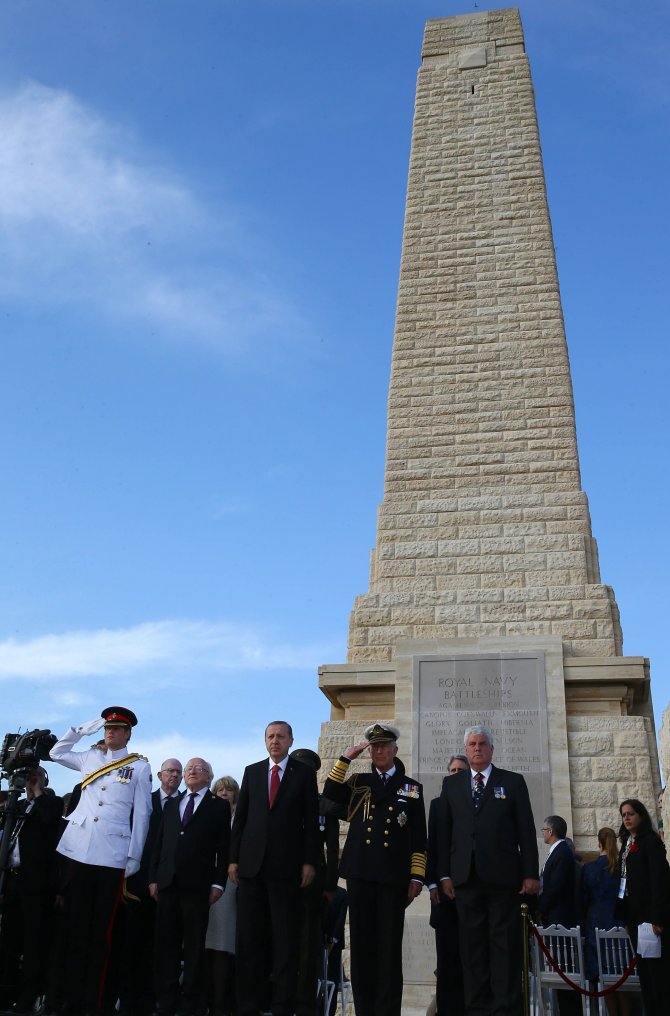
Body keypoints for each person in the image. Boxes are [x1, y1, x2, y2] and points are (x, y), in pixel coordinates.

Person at [49, 707, 152, 1016]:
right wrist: (81, 730)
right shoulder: (90, 757)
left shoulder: (139, 767)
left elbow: (143, 814)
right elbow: (56, 753)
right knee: (75, 930)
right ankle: (69, 1000)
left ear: (128, 734)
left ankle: (93, 1003)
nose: (110, 732)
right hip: (79, 851)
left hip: (111, 855)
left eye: (116, 729)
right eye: (107, 728)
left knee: (100, 936)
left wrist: (134, 855)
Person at [322, 721, 426, 1016]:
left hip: (393, 877)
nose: (379, 751)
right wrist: (346, 758)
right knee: (363, 948)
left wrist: (417, 876)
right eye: (375, 747)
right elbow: (330, 792)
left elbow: (419, 837)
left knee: (389, 949)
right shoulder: (359, 781)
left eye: (384, 746)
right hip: (361, 873)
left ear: (395, 750)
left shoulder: (410, 788)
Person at [438, 724, 539, 1016]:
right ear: (466, 749)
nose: (477, 748)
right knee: (472, 951)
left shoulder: (513, 782)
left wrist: (530, 873)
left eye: (482, 744)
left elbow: (526, 829)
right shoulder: (452, 785)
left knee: (504, 949)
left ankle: (505, 1009)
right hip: (465, 879)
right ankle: (477, 1009)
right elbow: (445, 833)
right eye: (472, 744)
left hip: (503, 880)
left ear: (492, 749)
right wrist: (444, 874)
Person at [228, 721, 319, 1016]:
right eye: (270, 736)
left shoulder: (303, 773)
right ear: (265, 741)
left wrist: (309, 861)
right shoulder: (252, 772)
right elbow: (241, 819)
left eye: (281, 736)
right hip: (251, 868)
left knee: (285, 941)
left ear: (291, 740)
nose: (275, 741)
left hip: (286, 868)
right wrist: (233, 859)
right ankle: (248, 1006)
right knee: (249, 939)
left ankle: (282, 1005)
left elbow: (311, 821)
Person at [149, 758, 230, 1016]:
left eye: (199, 769)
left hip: (198, 886)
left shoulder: (218, 806)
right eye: (189, 769)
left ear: (209, 776)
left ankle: (192, 1003)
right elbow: (160, 843)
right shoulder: (173, 803)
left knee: (194, 947)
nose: (192, 771)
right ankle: (166, 1001)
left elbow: (224, 848)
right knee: (166, 946)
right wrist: (153, 878)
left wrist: (219, 883)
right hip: (168, 884)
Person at [118, 759, 184, 1016]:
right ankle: (129, 999)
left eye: (178, 772)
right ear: (159, 775)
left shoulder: (186, 804)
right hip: (139, 881)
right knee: (133, 942)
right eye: (170, 771)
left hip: (169, 887)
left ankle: (157, 999)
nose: (174, 775)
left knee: (163, 947)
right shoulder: (144, 801)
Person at [0, 767, 63, 1014]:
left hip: (36, 885)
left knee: (33, 944)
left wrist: (38, 791)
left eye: (35, 776)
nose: (30, 780)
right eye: (28, 776)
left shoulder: (51, 804)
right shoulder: (18, 805)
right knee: (9, 942)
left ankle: (28, 998)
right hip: (13, 880)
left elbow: (49, 822)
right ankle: (6, 995)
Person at [289, 748, 341, 1016]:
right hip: (282, 880)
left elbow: (332, 848)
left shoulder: (324, 805)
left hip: (313, 885)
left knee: (308, 946)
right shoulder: (282, 801)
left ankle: (306, 1004)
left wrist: (330, 885)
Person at [615, 798, 670, 1015]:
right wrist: (624, 914)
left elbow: (659, 880)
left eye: (631, 814)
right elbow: (623, 880)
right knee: (645, 973)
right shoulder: (627, 844)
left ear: (640, 816)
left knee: (657, 973)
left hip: (649, 916)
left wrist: (658, 917)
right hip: (634, 915)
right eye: (624, 815)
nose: (626, 818)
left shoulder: (650, 841)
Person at [426, 754, 467, 1016]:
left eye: (460, 770)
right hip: (443, 897)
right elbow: (431, 847)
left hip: (471, 896)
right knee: (447, 962)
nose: (455, 774)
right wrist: (431, 884)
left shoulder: (477, 802)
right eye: (452, 770)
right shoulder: (437, 804)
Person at [581, 827, 630, 1016]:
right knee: (621, 976)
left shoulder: (590, 868)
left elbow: (584, 898)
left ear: (599, 843)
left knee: (605, 977)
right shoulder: (621, 867)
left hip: (596, 922)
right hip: (617, 921)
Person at [538, 815, 580, 1016]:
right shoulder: (557, 852)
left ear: (551, 831)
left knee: (565, 970)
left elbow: (554, 888)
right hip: (555, 918)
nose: (543, 833)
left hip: (560, 919)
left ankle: (570, 1011)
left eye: (544, 830)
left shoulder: (562, 852)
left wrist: (541, 909)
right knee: (559, 970)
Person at [205, 776, 240, 1016]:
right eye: (219, 790)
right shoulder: (208, 814)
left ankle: (221, 1003)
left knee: (222, 944)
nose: (224, 793)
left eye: (228, 790)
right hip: (206, 881)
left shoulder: (241, 818)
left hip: (230, 885)